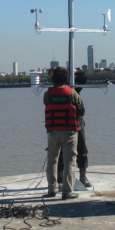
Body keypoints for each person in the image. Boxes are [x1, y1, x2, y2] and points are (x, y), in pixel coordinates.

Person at [43, 67, 85, 200]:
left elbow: (46, 104)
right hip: (69, 132)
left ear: (52, 79)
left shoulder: (48, 94)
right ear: (66, 79)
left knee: (52, 161)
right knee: (69, 161)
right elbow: (81, 110)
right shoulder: (72, 93)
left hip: (53, 132)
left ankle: (51, 189)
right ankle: (67, 191)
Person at [56, 69, 91, 187]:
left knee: (82, 148)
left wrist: (77, 71)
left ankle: (82, 176)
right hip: (61, 120)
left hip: (76, 119)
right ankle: (60, 177)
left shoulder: (75, 90)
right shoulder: (57, 88)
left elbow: (84, 77)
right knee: (61, 149)